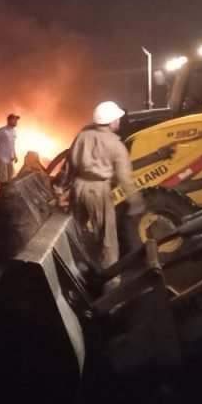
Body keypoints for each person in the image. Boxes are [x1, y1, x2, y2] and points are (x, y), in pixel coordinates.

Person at [69, 101, 135, 274]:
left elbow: (70, 162)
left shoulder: (83, 135)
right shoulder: (116, 144)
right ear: (112, 122)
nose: (119, 122)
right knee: (107, 237)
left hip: (78, 187)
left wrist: (62, 186)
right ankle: (111, 279)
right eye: (117, 119)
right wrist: (135, 201)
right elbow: (125, 178)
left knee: (75, 229)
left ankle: (74, 268)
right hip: (98, 190)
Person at [0, 113, 19, 184]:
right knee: (3, 179)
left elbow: (12, 145)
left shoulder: (14, 132)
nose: (16, 122)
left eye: (16, 120)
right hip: (1, 156)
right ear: (9, 120)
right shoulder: (2, 130)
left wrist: (15, 155)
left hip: (9, 158)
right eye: (14, 120)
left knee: (10, 177)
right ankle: (3, 194)